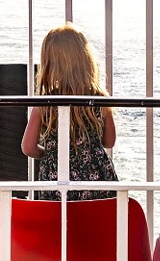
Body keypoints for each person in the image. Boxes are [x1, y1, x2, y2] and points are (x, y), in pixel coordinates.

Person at [21, 23, 118, 201]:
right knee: (97, 221)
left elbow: (28, 147)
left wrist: (49, 153)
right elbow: (109, 141)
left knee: (60, 223)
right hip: (97, 183)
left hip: (58, 181)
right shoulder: (100, 98)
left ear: (50, 64)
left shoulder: (45, 103)